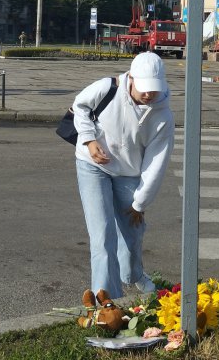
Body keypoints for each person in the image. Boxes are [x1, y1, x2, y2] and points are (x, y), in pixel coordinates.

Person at [72, 52, 175, 299]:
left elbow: (156, 162)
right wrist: (88, 140)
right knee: (102, 235)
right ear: (131, 78)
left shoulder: (163, 115)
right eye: (144, 88)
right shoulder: (107, 87)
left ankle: (133, 274)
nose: (149, 94)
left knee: (132, 232)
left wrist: (140, 202)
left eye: (154, 89)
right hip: (91, 166)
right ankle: (108, 302)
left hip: (128, 173)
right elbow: (80, 105)